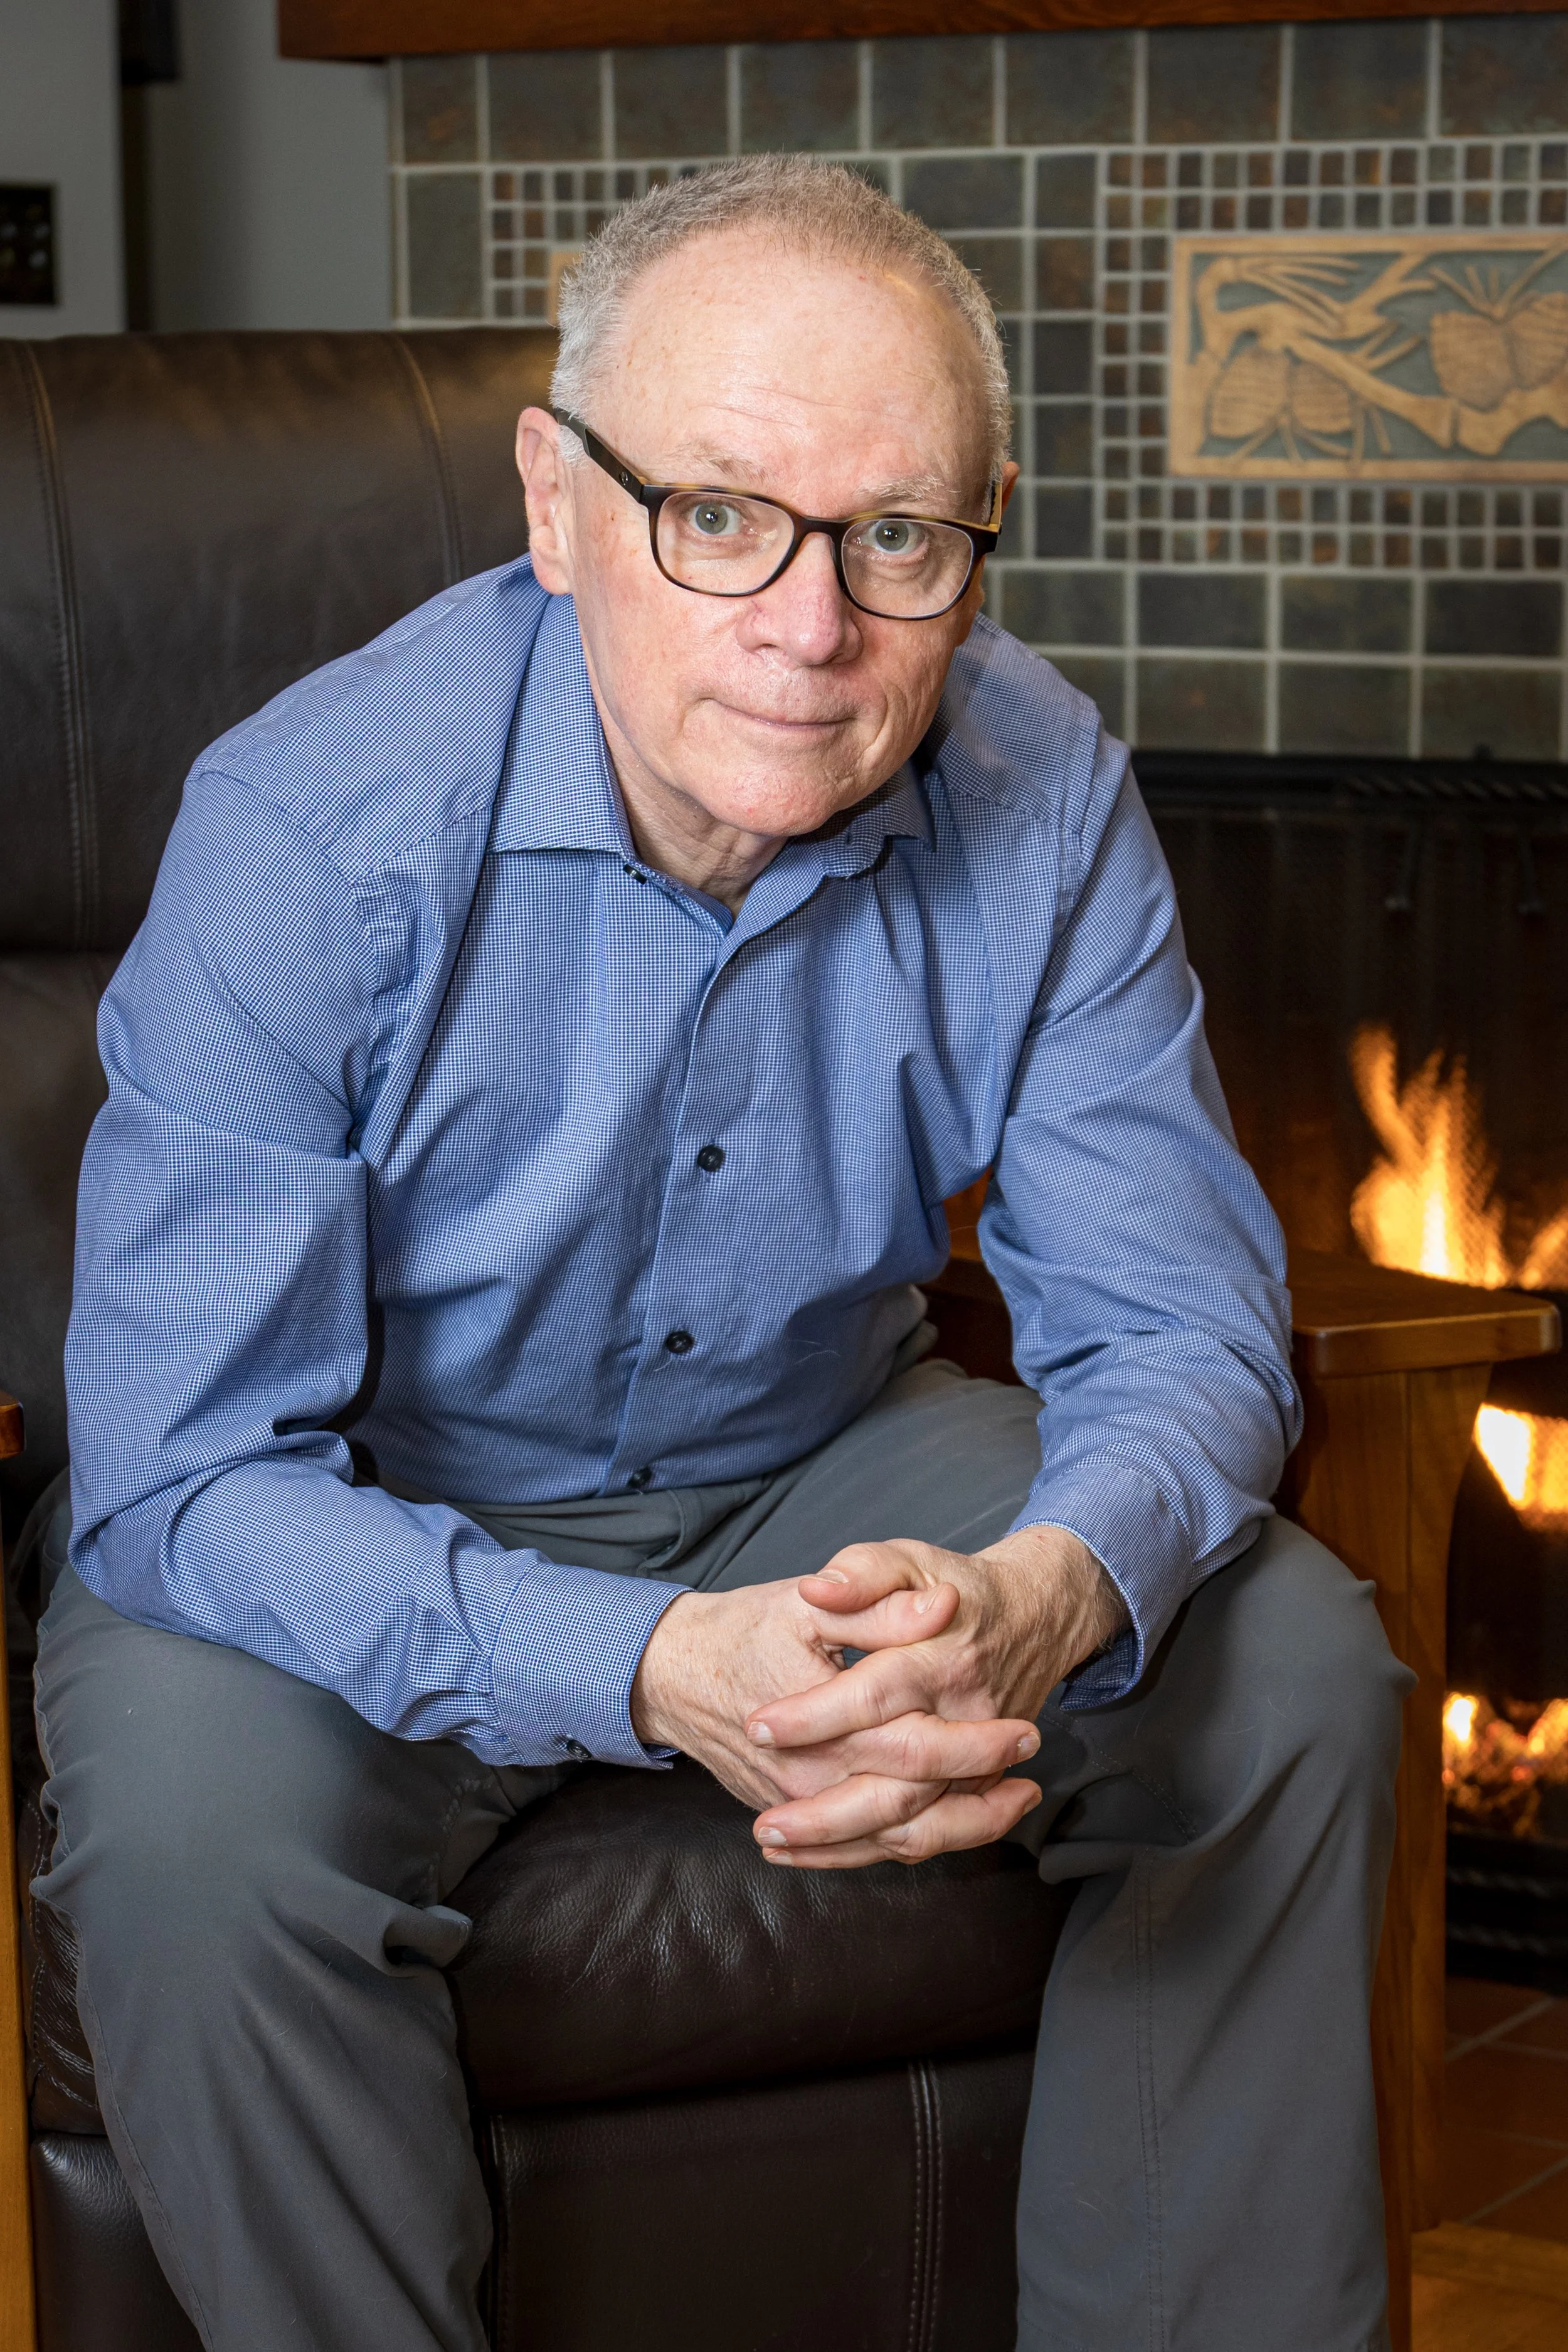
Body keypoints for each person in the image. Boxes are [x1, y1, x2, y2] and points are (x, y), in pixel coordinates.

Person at [36, 156, 1407, 2351]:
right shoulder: (305, 826)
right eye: (716, 515)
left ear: (979, 532)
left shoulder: (1041, 780)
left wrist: (1042, 1596)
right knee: (196, 1834)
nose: (809, 626)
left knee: (1289, 1669)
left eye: (896, 536)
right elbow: (182, 1473)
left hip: (818, 1452)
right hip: (362, 1492)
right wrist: (652, 1663)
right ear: (557, 504)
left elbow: (1179, 1323)